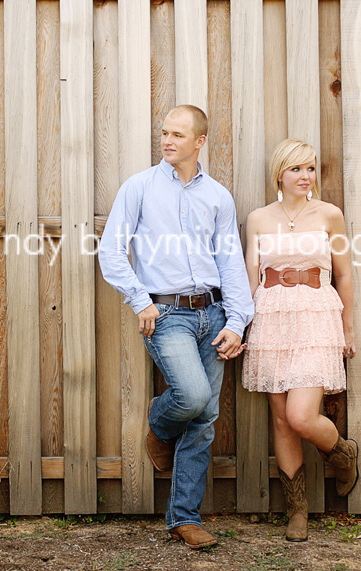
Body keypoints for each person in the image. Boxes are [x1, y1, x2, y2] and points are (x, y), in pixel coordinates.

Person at [99, 105, 254, 549]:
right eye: (164, 133)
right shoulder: (141, 187)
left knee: (204, 418)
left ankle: (184, 519)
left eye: (178, 135)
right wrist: (139, 301)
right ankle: (160, 425)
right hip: (165, 315)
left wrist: (238, 322)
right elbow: (112, 251)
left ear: (199, 141)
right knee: (193, 396)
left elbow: (230, 264)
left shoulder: (218, 197)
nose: (167, 141)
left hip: (214, 314)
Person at [241, 138, 358, 542]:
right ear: (279, 174)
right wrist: (240, 327)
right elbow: (249, 277)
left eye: (310, 169)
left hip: (315, 317)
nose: (305, 177)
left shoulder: (330, 215)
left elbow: (342, 273)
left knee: (301, 416)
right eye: (297, 169)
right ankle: (297, 511)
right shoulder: (258, 218)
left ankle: (342, 452)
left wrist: (349, 327)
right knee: (281, 420)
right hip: (271, 319)